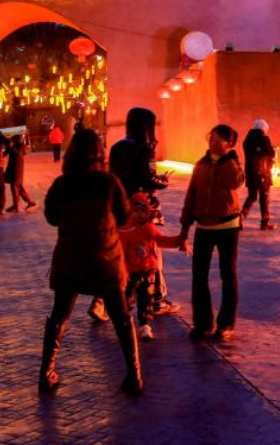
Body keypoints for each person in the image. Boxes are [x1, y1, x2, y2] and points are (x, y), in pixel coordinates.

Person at [38, 129, 142, 395]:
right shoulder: (109, 183)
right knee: (120, 317)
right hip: (104, 259)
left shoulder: (62, 184)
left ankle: (47, 372)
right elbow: (123, 216)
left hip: (70, 259)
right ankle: (133, 375)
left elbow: (51, 217)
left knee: (59, 315)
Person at [105, 107, 176, 322]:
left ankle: (112, 299)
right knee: (151, 252)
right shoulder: (144, 149)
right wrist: (163, 181)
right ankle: (157, 299)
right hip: (142, 207)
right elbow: (148, 178)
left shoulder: (117, 147)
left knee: (124, 252)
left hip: (121, 207)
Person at [178, 124, 245, 342]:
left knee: (227, 275)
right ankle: (203, 323)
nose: (211, 143)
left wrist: (228, 158)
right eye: (210, 138)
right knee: (199, 276)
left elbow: (236, 182)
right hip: (203, 228)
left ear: (228, 143)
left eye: (216, 140)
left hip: (228, 226)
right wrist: (184, 227)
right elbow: (191, 195)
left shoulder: (231, 164)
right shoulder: (201, 165)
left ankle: (226, 324)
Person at [119, 192, 190, 340]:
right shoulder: (126, 231)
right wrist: (122, 270)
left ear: (147, 213)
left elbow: (161, 240)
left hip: (147, 271)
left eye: (142, 211)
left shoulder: (149, 228)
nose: (139, 215)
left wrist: (178, 240)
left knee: (146, 299)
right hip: (130, 272)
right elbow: (120, 253)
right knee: (127, 299)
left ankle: (144, 325)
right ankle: (124, 324)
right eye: (135, 211)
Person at [242, 120, 278, 231]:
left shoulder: (246, 141)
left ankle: (241, 218)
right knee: (264, 197)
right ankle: (264, 222)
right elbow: (271, 153)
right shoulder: (264, 139)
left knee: (252, 196)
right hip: (263, 173)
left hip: (250, 173)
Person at [4, 134, 38, 212]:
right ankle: (29, 202)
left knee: (15, 186)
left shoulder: (19, 148)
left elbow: (13, 152)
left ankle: (17, 205)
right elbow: (5, 153)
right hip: (15, 169)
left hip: (16, 169)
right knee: (18, 186)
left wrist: (10, 147)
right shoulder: (18, 147)